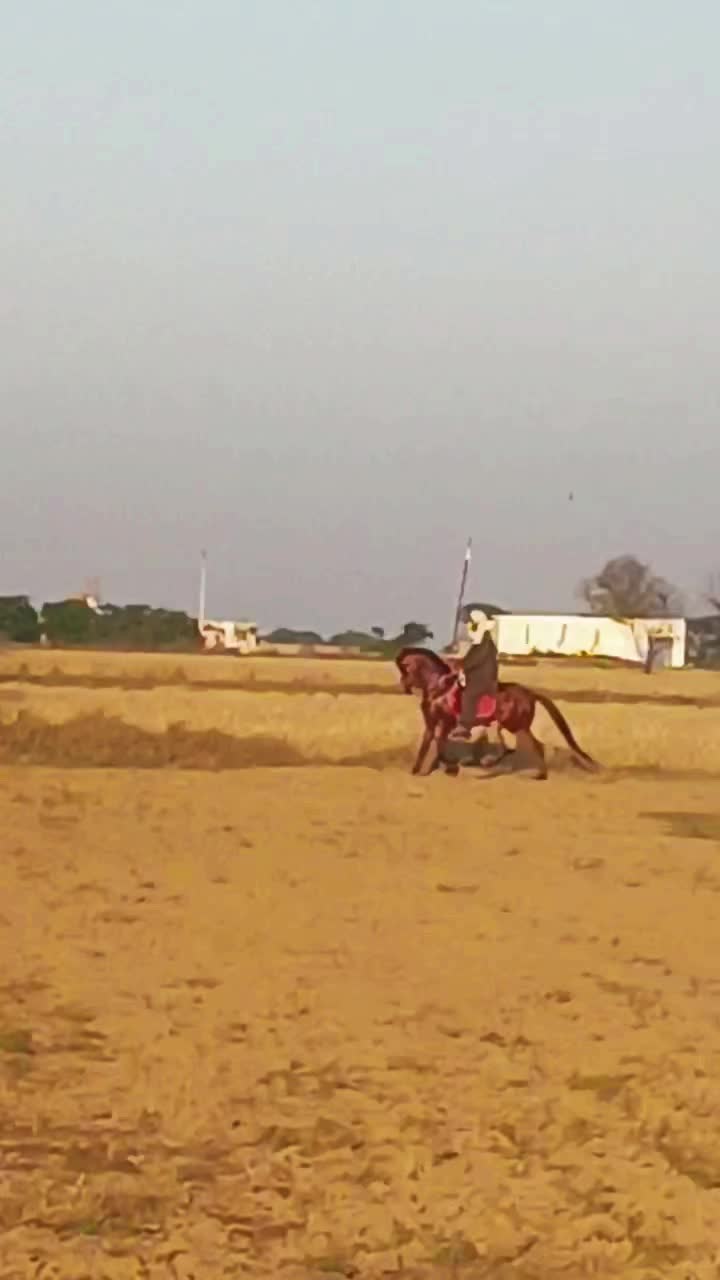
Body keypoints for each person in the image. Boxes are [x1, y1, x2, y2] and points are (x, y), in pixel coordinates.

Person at [449, 609, 499, 741]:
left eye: (473, 624)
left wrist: (461, 664)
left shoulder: (484, 641)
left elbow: (475, 658)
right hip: (481, 676)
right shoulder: (482, 640)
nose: (470, 627)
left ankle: (464, 727)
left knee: (468, 695)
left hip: (482, 678)